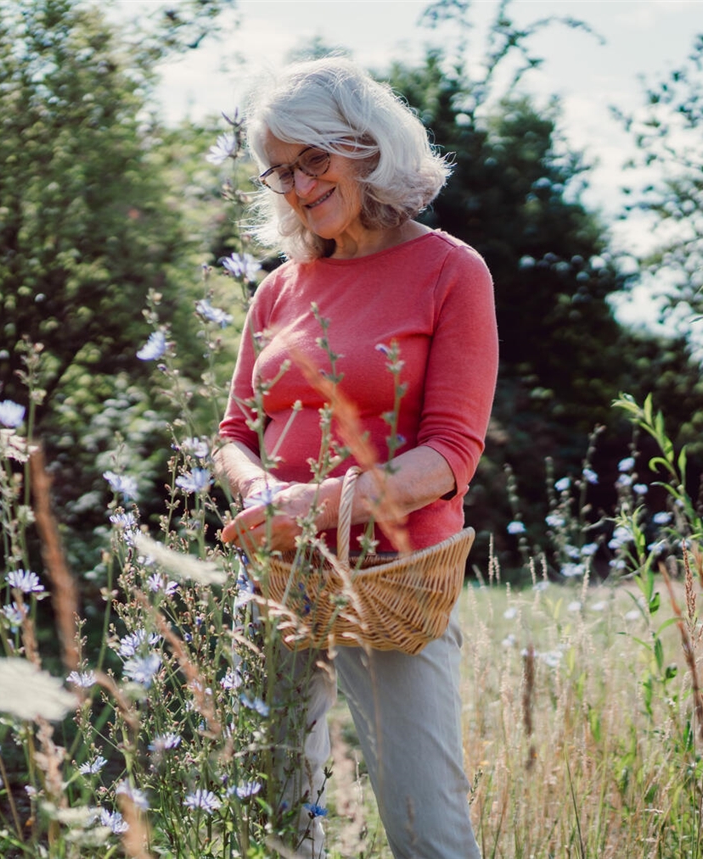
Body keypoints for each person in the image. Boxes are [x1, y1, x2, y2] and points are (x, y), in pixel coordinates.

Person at [213, 57, 498, 859]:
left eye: (314, 160)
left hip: (394, 574)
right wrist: (263, 491)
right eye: (281, 171)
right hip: (279, 573)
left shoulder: (450, 269)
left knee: (426, 833)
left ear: (365, 144)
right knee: (277, 827)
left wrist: (319, 504)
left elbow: (450, 454)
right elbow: (233, 429)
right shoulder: (279, 288)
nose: (300, 187)